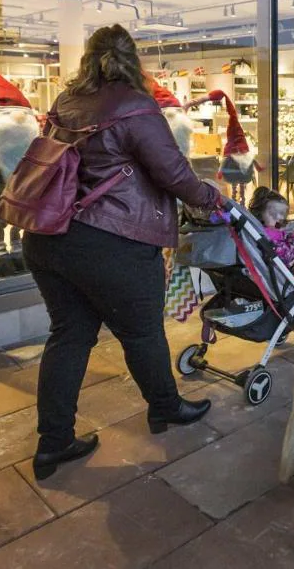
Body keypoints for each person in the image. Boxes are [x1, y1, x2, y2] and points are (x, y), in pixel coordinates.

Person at [22, 25, 221, 480]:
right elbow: (174, 173)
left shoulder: (65, 102)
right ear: (133, 60)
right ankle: (166, 408)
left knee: (68, 336)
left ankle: (54, 443)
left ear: (88, 59)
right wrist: (211, 199)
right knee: (142, 333)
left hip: (49, 238)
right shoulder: (135, 106)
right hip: (111, 242)